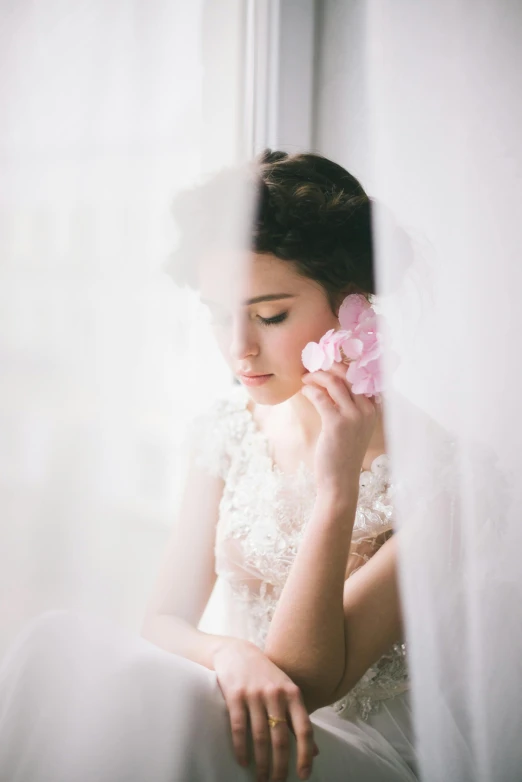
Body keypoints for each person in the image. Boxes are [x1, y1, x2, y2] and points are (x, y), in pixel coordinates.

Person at [0, 150, 418, 781]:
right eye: (219, 316)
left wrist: (337, 491)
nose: (238, 348)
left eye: (270, 315)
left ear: (354, 307)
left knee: (142, 701)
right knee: (55, 650)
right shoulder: (229, 428)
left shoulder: (441, 479)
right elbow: (163, 619)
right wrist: (228, 654)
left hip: (346, 754)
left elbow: (305, 682)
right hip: (242, 711)